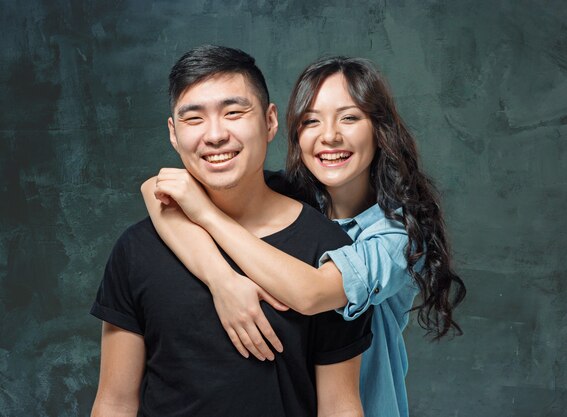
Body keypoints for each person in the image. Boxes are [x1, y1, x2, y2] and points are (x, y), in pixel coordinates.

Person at [143, 56, 466, 417]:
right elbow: (155, 190)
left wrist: (206, 215)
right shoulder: (288, 197)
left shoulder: (397, 236)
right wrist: (222, 281)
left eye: (349, 117)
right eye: (311, 121)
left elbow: (311, 293)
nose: (329, 136)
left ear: (379, 128)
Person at [90, 45, 373, 417]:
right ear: (173, 134)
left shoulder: (328, 249)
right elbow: (115, 401)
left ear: (270, 121)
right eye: (194, 119)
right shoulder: (137, 248)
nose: (215, 135)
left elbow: (339, 405)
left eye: (234, 112)